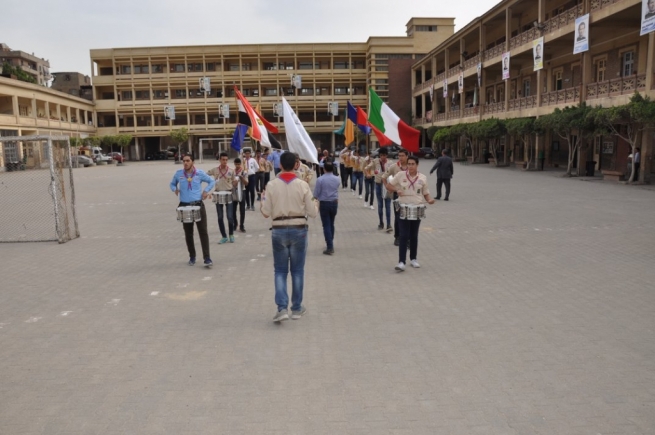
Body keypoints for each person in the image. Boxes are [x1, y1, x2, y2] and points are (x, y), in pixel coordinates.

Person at [260, 152, 318, 322]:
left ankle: (282, 308)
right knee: (297, 271)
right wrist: (316, 203)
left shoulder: (271, 185)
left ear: (280, 165)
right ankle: (297, 308)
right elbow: (313, 212)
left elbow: (265, 212)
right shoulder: (303, 185)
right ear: (295, 165)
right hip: (299, 229)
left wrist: (262, 201)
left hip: (278, 229)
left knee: (280, 270)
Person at [383, 155, 435, 271]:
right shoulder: (400, 175)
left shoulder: (423, 178)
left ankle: (413, 259)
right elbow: (389, 186)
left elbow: (425, 193)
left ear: (417, 165)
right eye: (409, 164)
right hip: (403, 208)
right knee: (403, 235)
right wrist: (397, 190)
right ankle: (401, 261)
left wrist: (430, 200)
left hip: (416, 208)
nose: (410, 166)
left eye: (413, 164)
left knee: (414, 235)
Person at [169, 153, 215, 267]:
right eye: (184, 161)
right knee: (188, 233)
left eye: (188, 160)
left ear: (192, 162)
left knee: (203, 232)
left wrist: (206, 191)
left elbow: (212, 181)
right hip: (184, 206)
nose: (185, 163)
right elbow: (172, 183)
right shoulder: (179, 174)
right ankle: (192, 256)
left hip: (198, 205)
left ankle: (207, 257)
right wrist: (175, 189)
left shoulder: (199, 173)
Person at [207, 152, 236, 244]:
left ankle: (231, 234)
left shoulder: (231, 171)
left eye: (226, 160)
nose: (225, 161)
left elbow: (234, 182)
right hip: (218, 194)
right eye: (223, 160)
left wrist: (236, 183)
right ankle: (224, 236)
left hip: (228, 194)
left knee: (230, 217)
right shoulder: (214, 170)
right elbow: (206, 175)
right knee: (220, 217)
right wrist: (211, 184)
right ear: (219, 160)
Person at [382, 149, 409, 245]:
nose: (400, 157)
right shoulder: (394, 167)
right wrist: (388, 187)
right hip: (397, 195)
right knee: (398, 216)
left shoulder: (411, 167)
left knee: (408, 216)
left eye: (402, 155)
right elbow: (384, 177)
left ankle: (407, 237)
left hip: (409, 196)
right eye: (399, 156)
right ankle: (397, 237)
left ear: (407, 156)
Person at [313, 161, 340, 255]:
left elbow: (316, 193)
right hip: (334, 202)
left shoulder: (320, 179)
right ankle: (330, 241)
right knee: (331, 223)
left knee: (326, 225)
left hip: (324, 203)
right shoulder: (337, 179)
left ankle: (330, 246)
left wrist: (312, 200)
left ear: (323, 169)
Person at [366, 147, 393, 232]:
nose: (383, 157)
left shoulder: (390, 163)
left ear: (387, 155)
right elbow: (366, 168)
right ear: (379, 155)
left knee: (388, 205)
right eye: (381, 155)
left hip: (387, 185)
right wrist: (367, 174)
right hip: (378, 184)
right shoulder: (375, 161)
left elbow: (395, 173)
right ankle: (381, 222)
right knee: (380, 205)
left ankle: (389, 224)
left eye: (384, 155)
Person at [232, 157, 249, 233]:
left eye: (239, 164)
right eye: (236, 164)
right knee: (233, 210)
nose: (237, 165)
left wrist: (241, 178)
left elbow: (246, 183)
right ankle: (235, 224)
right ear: (234, 164)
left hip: (242, 191)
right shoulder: (232, 172)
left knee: (242, 210)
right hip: (234, 192)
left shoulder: (244, 172)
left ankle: (242, 225)